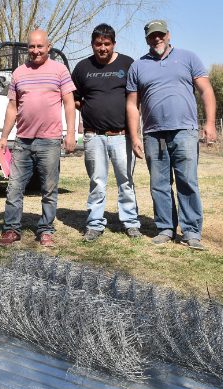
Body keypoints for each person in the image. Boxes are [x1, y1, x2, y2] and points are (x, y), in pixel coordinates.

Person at [126, 19, 217, 250]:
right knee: (159, 184)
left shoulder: (188, 58)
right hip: (153, 134)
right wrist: (135, 136)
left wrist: (210, 123)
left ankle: (192, 232)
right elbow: (132, 104)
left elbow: (206, 90)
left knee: (187, 181)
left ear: (168, 35)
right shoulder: (138, 66)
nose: (157, 38)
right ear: (146, 39)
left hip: (184, 131)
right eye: (151, 36)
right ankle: (165, 228)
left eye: (160, 34)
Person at [0, 29, 76, 247]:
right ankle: (11, 229)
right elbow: (12, 107)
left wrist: (70, 133)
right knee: (14, 187)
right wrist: (4, 136)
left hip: (50, 141)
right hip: (22, 140)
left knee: (49, 189)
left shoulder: (60, 71)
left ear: (48, 47)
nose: (35, 50)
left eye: (40, 46)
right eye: (31, 46)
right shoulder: (18, 73)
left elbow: (69, 103)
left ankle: (45, 230)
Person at [72, 24, 141, 242]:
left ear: (114, 44)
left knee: (126, 181)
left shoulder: (128, 64)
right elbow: (74, 98)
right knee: (97, 182)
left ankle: (131, 223)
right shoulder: (82, 67)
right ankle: (94, 223)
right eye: (98, 44)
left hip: (121, 136)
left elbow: (136, 98)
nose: (102, 48)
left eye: (107, 44)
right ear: (92, 44)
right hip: (94, 137)